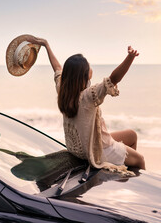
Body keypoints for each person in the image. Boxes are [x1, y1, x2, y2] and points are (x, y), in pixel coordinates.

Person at [26, 36, 145, 174]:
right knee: (140, 159)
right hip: (97, 151)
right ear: (83, 75)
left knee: (131, 135)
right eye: (88, 66)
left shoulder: (63, 90)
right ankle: (135, 182)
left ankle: (123, 171)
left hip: (82, 146)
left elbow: (57, 68)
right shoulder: (88, 96)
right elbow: (113, 79)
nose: (90, 67)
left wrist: (46, 45)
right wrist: (130, 58)